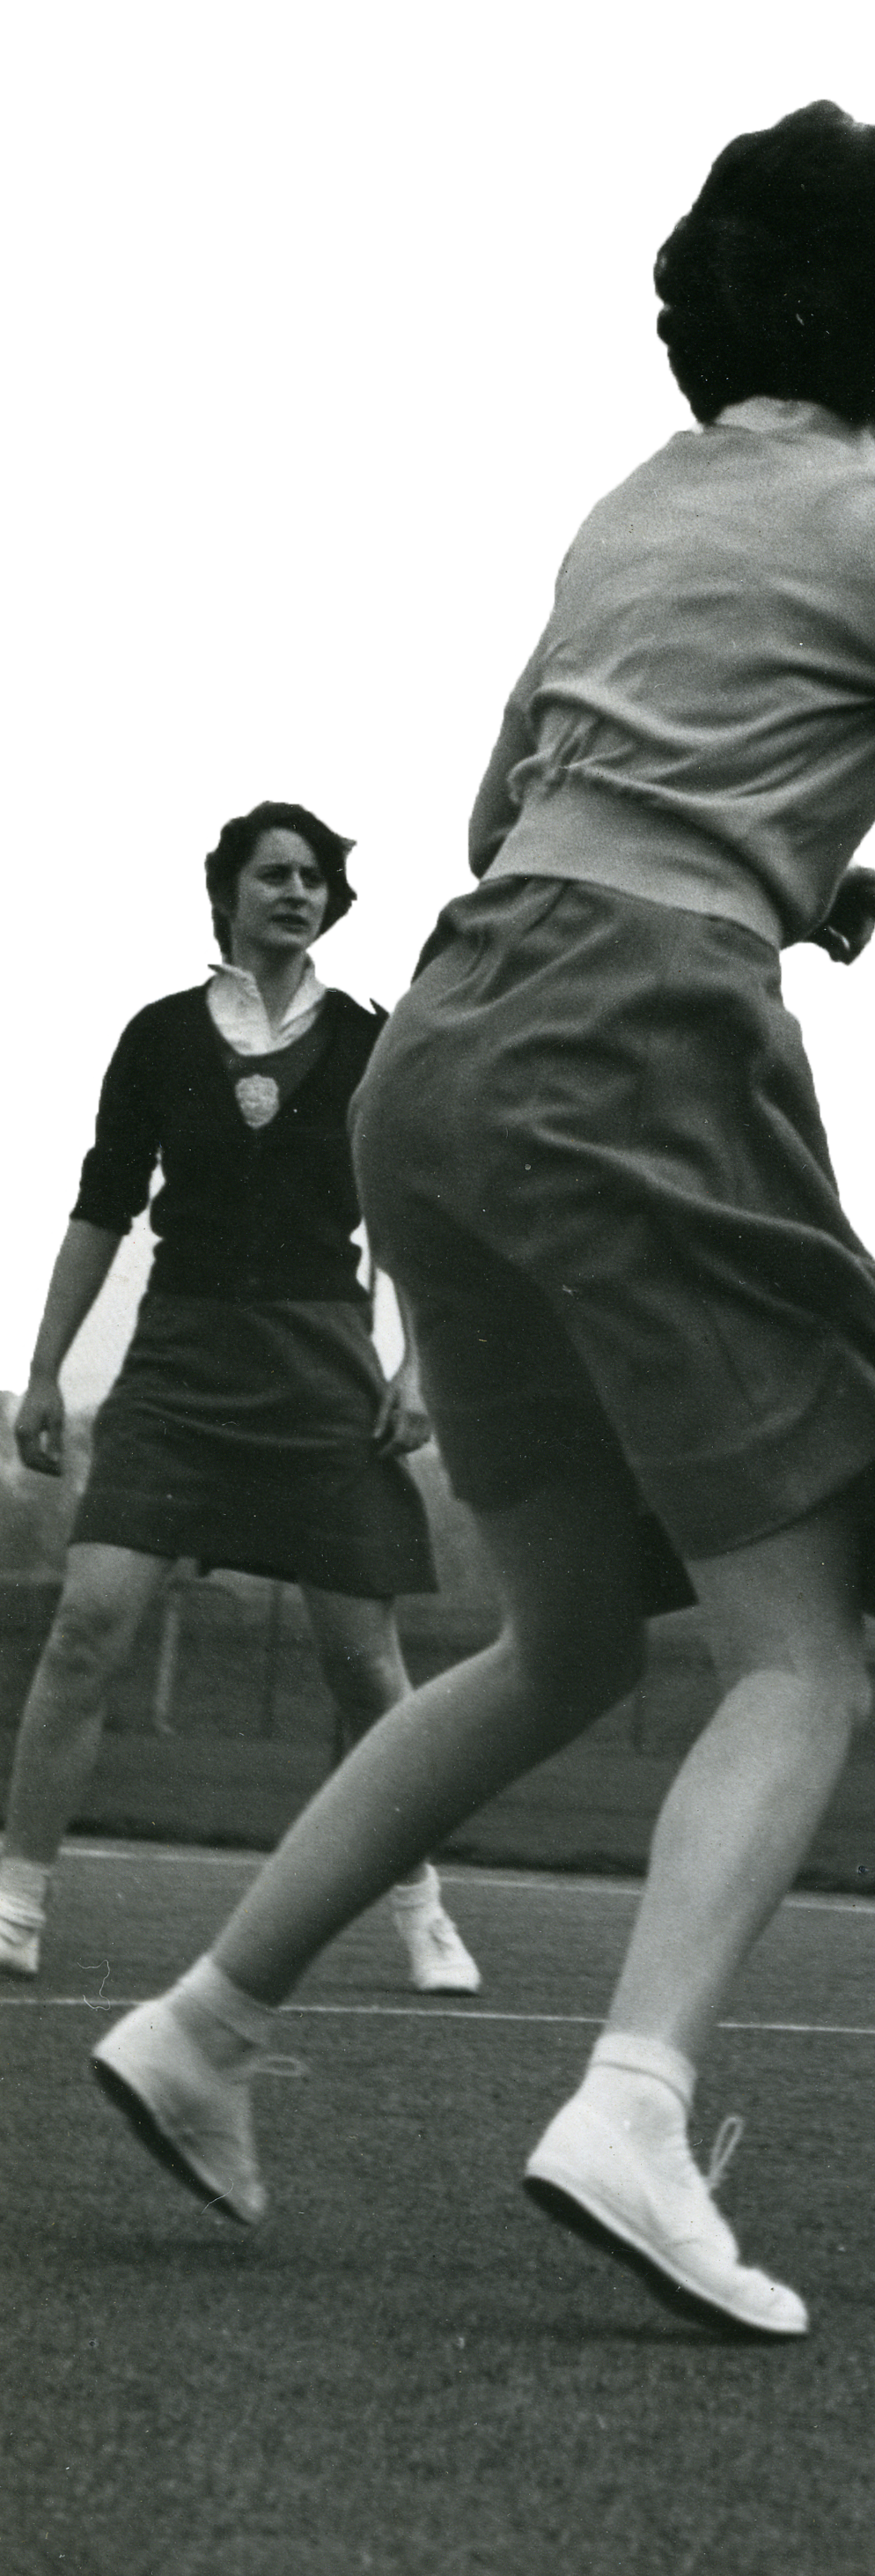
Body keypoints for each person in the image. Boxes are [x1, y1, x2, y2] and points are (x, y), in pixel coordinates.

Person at [90, 104, 875, 2340]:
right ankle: (632, 2106)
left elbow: (504, 805)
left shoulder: (625, 513)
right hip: (634, 1050)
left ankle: (204, 2019)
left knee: (562, 1639)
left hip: (444, 1054)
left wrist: (779, 857)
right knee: (802, 1647)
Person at [4, 806, 477, 1999]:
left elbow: (412, 1221)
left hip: (321, 1365)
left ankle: (422, 1908)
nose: (298, 892)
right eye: (275, 875)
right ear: (226, 892)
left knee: (363, 1664)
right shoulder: (158, 1038)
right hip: (179, 1366)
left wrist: (417, 1371)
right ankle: (15, 1902)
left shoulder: (373, 1042)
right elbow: (102, 1209)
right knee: (85, 1628)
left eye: (315, 878)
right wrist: (49, 1368)